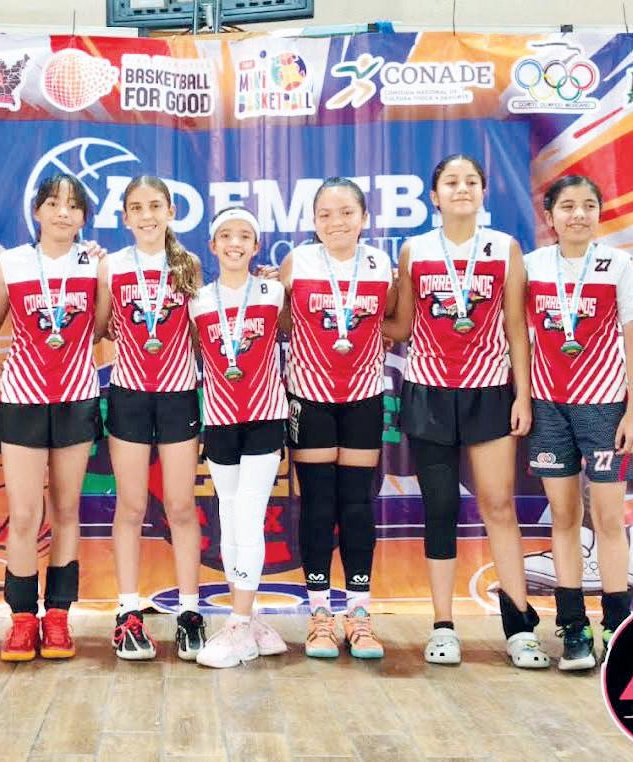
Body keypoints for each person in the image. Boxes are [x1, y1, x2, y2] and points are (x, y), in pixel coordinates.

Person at [384, 154, 549, 668]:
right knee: (440, 509)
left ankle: (519, 627)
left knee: (498, 505)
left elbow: (516, 327)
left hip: (490, 391)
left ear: (483, 191)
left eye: (471, 181)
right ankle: (442, 626)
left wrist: (523, 395)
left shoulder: (505, 247)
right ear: (434, 196)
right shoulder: (415, 250)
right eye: (451, 182)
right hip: (428, 392)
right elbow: (402, 325)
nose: (461, 189)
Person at [281, 178, 395, 659]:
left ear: (364, 217)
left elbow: (395, 321)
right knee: (318, 505)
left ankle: (360, 614)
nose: (336, 222)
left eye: (347, 212)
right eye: (325, 214)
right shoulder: (297, 262)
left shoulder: (380, 264)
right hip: (309, 396)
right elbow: (279, 321)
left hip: (364, 395)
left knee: (356, 504)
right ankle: (320, 615)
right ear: (313, 221)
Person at [524, 175, 633, 669]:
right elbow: (517, 335)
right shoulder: (531, 266)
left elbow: (631, 337)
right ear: (550, 216)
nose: (579, 214)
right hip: (548, 406)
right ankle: (573, 627)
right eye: (567, 206)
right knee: (564, 516)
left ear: (599, 214)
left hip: (605, 406)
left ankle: (618, 625)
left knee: (608, 519)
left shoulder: (619, 265)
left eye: (588, 205)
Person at [94, 176, 206, 660]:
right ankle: (127, 612)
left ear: (171, 211)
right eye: (136, 207)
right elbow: (100, 327)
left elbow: (202, 332)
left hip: (179, 395)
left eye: (155, 206)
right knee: (132, 506)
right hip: (129, 394)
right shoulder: (111, 265)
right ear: (124, 217)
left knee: (180, 506)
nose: (146, 215)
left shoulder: (188, 264)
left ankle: (189, 612)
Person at [0, 174, 101, 662]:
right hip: (22, 398)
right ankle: (21, 619)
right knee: (23, 514)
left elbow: (102, 327)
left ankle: (57, 615)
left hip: (77, 396)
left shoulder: (96, 264)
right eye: (53, 203)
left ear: (83, 218)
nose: (63, 213)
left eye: (73, 206)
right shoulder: (10, 262)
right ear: (36, 210)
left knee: (66, 510)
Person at [189, 207, 289, 669]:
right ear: (213, 245)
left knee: (248, 512)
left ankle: (239, 624)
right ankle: (247, 619)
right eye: (226, 235)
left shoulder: (274, 291)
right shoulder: (197, 300)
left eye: (244, 236)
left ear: (256, 246)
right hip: (219, 418)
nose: (235, 243)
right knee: (229, 517)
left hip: (265, 416)